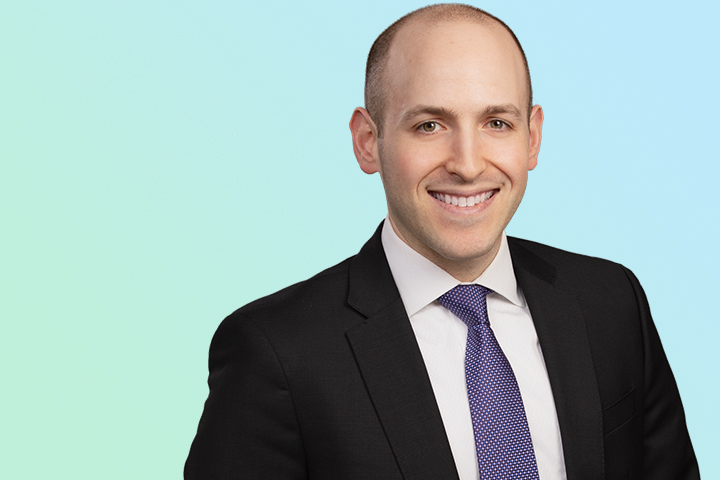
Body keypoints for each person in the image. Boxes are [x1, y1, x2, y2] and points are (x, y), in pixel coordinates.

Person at [185, 4, 699, 479]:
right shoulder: (276, 352)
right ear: (368, 142)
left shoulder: (611, 302)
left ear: (532, 137)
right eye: (429, 125)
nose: (468, 165)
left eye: (497, 123)